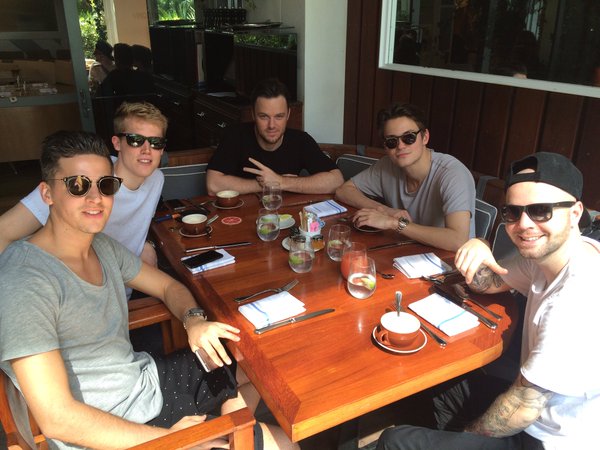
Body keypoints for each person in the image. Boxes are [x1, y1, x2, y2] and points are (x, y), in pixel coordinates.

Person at [0, 131, 297, 450]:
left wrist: (194, 321)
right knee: (283, 444)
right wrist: (177, 441)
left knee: (255, 363)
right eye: (78, 185)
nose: (95, 198)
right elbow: (58, 418)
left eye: (105, 185)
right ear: (47, 193)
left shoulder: (101, 247)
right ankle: (226, 436)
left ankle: (230, 433)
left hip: (142, 386)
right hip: (103, 434)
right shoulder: (25, 280)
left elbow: (168, 286)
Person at [377, 152, 599, 450]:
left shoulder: (577, 299)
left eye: (541, 211)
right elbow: (488, 282)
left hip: (548, 439)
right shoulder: (549, 256)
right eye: (513, 212)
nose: (524, 224)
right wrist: (480, 246)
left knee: (394, 441)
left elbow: (521, 408)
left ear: (575, 213)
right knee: (438, 385)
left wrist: (465, 438)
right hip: (528, 405)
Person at [0, 101, 166, 269]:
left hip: (128, 275)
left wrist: (147, 244)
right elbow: (3, 232)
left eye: (156, 142)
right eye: (136, 140)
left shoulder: (156, 179)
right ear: (117, 143)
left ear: (162, 149)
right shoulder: (81, 178)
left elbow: (131, 227)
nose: (147, 150)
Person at [335, 103, 475, 252]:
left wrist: (394, 223)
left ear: (425, 137)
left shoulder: (453, 174)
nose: (400, 146)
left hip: (449, 260)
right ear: (385, 147)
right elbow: (343, 191)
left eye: (409, 138)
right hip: (408, 252)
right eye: (392, 141)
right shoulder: (387, 165)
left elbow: (458, 241)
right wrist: (386, 210)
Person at [206, 78, 344, 195]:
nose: (271, 125)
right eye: (264, 116)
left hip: (286, 213)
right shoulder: (235, 136)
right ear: (253, 114)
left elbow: (336, 181)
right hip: (243, 214)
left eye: (279, 116)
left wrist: (282, 182)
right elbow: (213, 185)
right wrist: (265, 184)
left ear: (288, 115)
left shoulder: (300, 140)